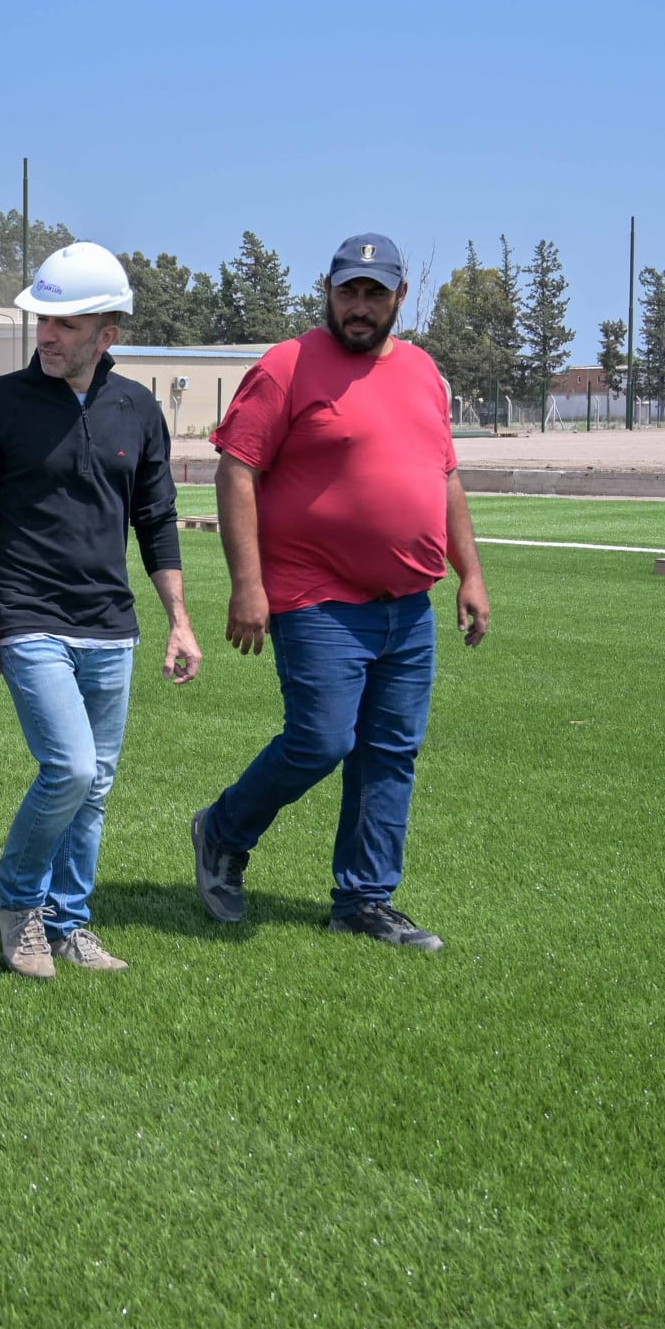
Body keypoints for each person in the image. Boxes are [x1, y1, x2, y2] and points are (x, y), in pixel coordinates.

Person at [189, 234, 491, 950]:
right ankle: (222, 830)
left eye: (374, 293)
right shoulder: (287, 366)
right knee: (321, 739)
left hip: (407, 605)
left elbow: (444, 477)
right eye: (348, 291)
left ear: (399, 299)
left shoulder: (422, 371)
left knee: (390, 751)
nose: (360, 307)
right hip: (315, 595)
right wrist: (247, 585)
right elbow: (236, 470)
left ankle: (364, 899)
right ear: (327, 290)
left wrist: (470, 572)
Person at [0, 241, 200, 980]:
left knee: (98, 783)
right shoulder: (0, 403)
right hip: (27, 615)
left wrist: (178, 618)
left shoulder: (138, 409)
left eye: (64, 322)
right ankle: (19, 902)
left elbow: (156, 516)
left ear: (106, 333)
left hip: (110, 625)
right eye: (41, 319)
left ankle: (69, 920)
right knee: (71, 767)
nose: (46, 334)